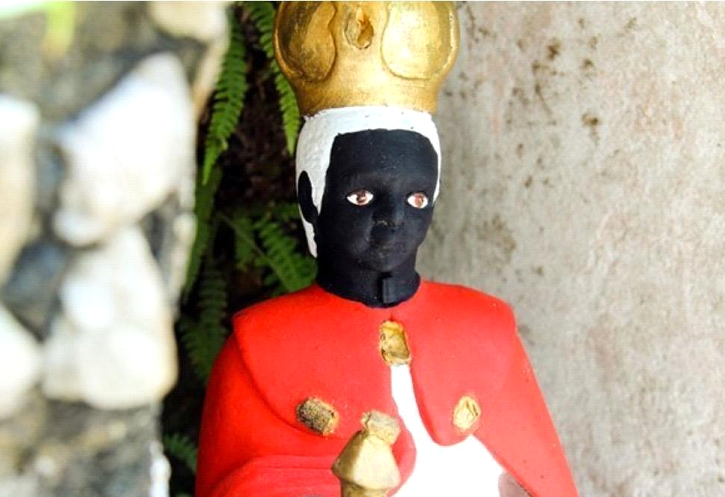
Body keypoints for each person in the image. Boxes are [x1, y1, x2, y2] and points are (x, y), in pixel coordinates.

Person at [196, 3, 578, 496]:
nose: (393, 219)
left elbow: (543, 480)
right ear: (312, 197)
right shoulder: (257, 351)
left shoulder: (487, 331)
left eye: (416, 198)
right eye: (362, 196)